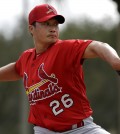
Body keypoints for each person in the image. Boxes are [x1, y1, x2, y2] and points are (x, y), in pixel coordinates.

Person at [0, 4, 120, 134]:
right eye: (46, 24)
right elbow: (17, 68)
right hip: (44, 131)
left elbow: (98, 46)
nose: (53, 29)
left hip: (81, 129)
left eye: (55, 25)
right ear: (31, 28)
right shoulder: (27, 58)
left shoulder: (64, 49)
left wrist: (115, 61)